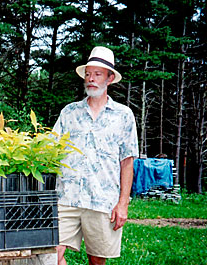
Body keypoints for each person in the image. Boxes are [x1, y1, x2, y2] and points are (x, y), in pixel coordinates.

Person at [53, 46, 139, 265]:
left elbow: (127, 163)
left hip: (103, 200)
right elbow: (50, 150)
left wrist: (123, 205)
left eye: (97, 74)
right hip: (66, 197)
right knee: (51, 254)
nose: (91, 79)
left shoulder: (124, 116)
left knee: (97, 261)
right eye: (88, 74)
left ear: (110, 79)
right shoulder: (69, 112)